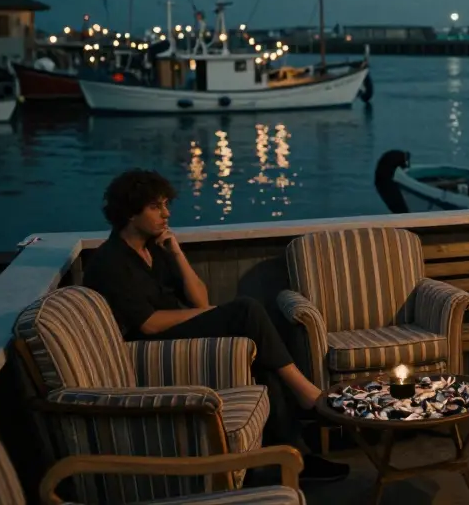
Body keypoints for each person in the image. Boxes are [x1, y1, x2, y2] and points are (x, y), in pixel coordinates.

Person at [83, 169, 349, 483]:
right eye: (157, 207)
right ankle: (307, 395)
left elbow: (198, 299)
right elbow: (150, 324)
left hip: (174, 335)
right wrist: (214, 313)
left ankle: (295, 458)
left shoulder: (154, 250)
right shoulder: (111, 261)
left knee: (262, 362)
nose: (166, 214)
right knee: (246, 309)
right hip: (149, 348)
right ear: (129, 212)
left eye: (167, 205)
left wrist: (177, 253)